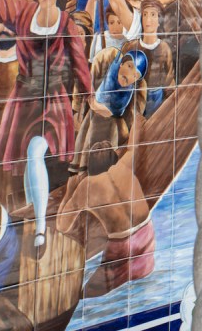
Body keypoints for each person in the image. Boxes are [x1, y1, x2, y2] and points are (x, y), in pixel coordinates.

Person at [0, 0, 92, 179]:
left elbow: (80, 62)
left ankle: (41, 214)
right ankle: (35, 211)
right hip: (24, 98)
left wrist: (90, 96)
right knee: (27, 159)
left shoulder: (66, 23)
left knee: (35, 153)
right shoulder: (23, 12)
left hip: (52, 100)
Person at [57, 116, 155, 297]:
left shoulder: (86, 187)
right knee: (138, 283)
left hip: (121, 245)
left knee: (85, 295)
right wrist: (138, 121)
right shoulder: (124, 166)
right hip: (146, 236)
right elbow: (134, 144)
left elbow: (62, 225)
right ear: (114, 159)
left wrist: (69, 192)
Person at [69, 49, 148, 172]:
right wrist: (80, 107)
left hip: (109, 123)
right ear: (121, 64)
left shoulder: (126, 94)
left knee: (100, 157)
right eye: (129, 66)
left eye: (135, 75)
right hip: (93, 114)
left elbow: (111, 112)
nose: (129, 74)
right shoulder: (111, 63)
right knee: (86, 138)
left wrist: (95, 105)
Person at [122, 0, 174, 117]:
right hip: (133, 100)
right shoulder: (130, 47)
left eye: (153, 15)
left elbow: (169, 80)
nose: (148, 19)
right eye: (145, 14)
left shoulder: (164, 48)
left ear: (159, 20)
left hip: (156, 100)